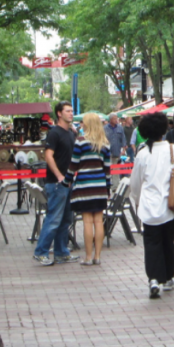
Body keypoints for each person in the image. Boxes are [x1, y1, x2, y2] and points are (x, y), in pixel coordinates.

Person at [129, 111, 174, 298]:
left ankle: (153, 279)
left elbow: (136, 182)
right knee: (168, 242)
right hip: (170, 206)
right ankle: (168, 277)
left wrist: (137, 200)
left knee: (151, 243)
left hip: (149, 207)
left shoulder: (142, 154)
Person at [33, 101, 80, 266]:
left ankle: (61, 252)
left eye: (72, 111)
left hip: (68, 182)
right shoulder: (54, 133)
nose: (71, 113)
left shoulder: (70, 133)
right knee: (53, 218)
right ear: (59, 113)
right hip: (57, 183)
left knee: (66, 219)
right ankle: (41, 252)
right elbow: (48, 156)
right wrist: (60, 176)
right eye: (68, 111)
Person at [64, 112, 112, 266]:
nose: (81, 125)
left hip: (84, 186)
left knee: (87, 222)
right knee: (99, 221)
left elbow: (73, 165)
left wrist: (67, 181)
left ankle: (88, 256)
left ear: (88, 125)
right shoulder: (105, 144)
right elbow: (107, 170)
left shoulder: (80, 143)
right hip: (100, 187)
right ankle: (98, 256)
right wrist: (108, 188)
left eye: (83, 123)